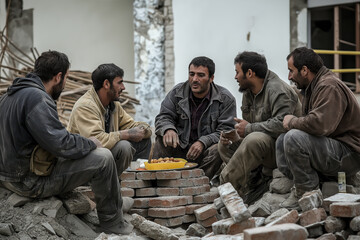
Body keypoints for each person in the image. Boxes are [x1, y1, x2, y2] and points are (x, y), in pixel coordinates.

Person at [0, 51, 132, 234]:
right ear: (58, 77)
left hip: (8, 177)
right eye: (66, 78)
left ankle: (115, 201)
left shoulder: (9, 96)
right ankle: (112, 222)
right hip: (30, 182)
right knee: (104, 158)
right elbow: (61, 144)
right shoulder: (37, 99)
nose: (64, 83)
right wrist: (90, 143)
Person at [277, 47, 360, 209]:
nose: (289, 76)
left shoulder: (329, 86)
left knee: (294, 138)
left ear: (305, 70)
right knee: (282, 140)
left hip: (349, 154)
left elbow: (320, 125)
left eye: (291, 71)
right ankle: (319, 182)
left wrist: (293, 121)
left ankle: (307, 193)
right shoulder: (312, 86)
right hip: (334, 148)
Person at [218, 51, 302, 204]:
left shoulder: (278, 90)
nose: (235, 77)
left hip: (281, 151)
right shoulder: (249, 91)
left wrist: (248, 129)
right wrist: (236, 137)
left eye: (237, 72)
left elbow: (282, 124)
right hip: (261, 146)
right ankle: (247, 187)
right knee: (224, 144)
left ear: (249, 73)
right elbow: (250, 125)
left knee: (254, 140)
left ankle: (225, 189)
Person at [153, 56, 236, 179]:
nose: (195, 79)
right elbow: (163, 116)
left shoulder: (226, 99)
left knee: (220, 148)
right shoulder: (177, 92)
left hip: (205, 152)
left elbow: (226, 131)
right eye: (191, 74)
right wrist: (168, 129)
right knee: (161, 139)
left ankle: (199, 182)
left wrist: (203, 141)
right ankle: (160, 181)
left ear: (211, 78)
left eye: (201, 75)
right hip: (179, 147)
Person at [67, 63, 152, 174]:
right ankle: (113, 184)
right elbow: (97, 140)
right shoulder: (85, 106)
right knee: (124, 146)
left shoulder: (113, 105)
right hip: (84, 162)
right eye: (120, 82)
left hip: (104, 155)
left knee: (144, 140)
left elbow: (132, 125)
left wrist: (144, 129)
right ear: (106, 84)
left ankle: (136, 179)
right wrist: (126, 134)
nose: (123, 87)